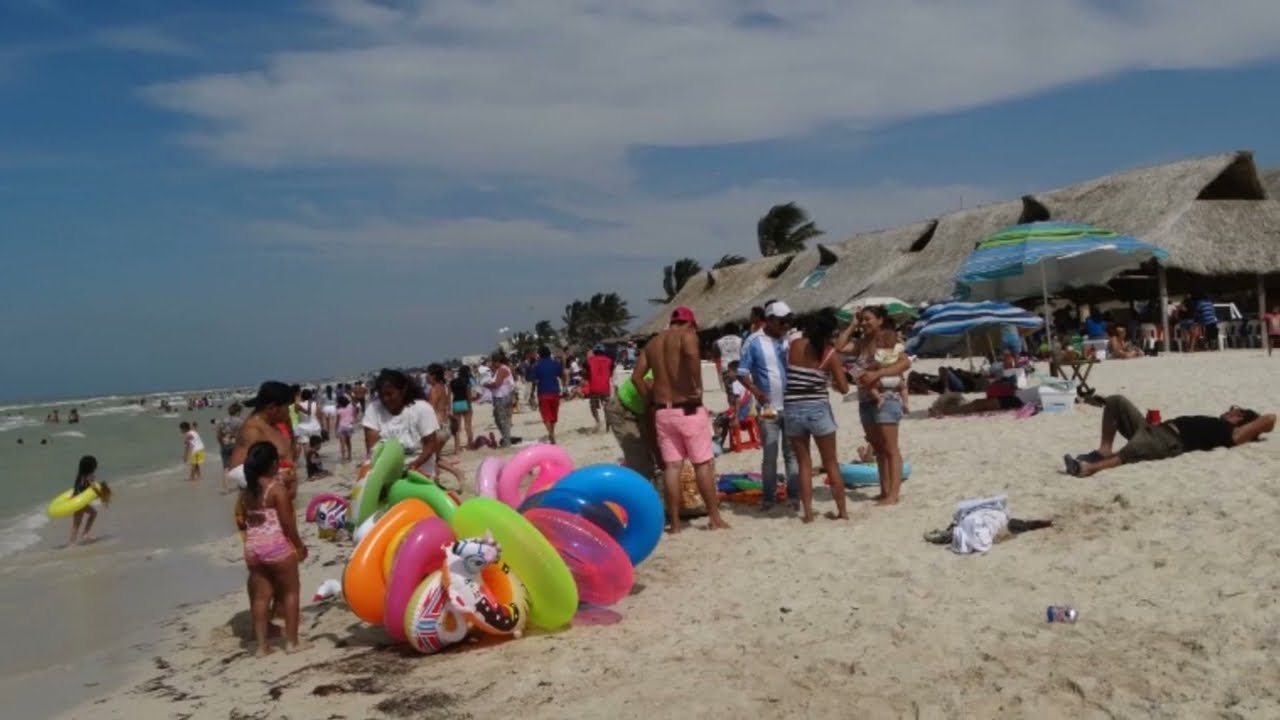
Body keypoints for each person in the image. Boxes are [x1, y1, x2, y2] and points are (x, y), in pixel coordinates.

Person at [633, 306, 728, 532]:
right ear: (690, 323)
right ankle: (714, 518)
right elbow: (692, 354)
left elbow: (637, 377)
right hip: (688, 409)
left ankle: (675, 523)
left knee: (672, 468)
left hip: (663, 412)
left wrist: (651, 400)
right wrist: (697, 385)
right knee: (702, 464)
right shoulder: (687, 335)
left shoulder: (653, 343)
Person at [1063, 396, 1274, 477]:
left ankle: (1087, 469)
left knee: (1137, 447)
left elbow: (1270, 419)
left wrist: (1250, 425)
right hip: (1155, 429)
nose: (1231, 410)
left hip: (1169, 441)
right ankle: (1104, 449)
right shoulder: (1217, 423)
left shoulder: (1230, 433)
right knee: (1115, 401)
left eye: (1237, 412)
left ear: (1242, 421)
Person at [784, 309, 855, 522]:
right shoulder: (829, 353)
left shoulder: (795, 345)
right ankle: (842, 511)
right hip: (817, 409)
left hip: (792, 409)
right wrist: (830, 381)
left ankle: (807, 513)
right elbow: (844, 388)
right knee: (831, 463)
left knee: (804, 463)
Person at [238, 441, 306, 656]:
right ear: (274, 463)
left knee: (260, 597)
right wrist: (299, 545)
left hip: (253, 548)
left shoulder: (246, 491)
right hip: (276, 546)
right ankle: (292, 643)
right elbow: (287, 524)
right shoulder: (276, 490)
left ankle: (261, 646)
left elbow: (243, 521)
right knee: (290, 592)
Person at [738, 301, 799, 513]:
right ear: (770, 320)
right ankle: (769, 498)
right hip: (768, 409)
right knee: (770, 455)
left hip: (790, 406)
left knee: (791, 454)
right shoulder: (754, 341)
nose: (786, 326)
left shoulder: (789, 339)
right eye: (783, 322)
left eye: (789, 321)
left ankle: (794, 496)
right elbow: (742, 371)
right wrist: (755, 391)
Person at [850, 306, 911, 505]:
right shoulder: (862, 343)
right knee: (878, 448)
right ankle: (885, 491)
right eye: (863, 319)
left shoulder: (887, 340)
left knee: (890, 448)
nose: (865, 323)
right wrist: (853, 324)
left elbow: (904, 363)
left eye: (868, 319)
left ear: (880, 320)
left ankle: (893, 494)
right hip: (866, 399)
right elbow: (839, 347)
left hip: (887, 396)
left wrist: (878, 374)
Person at [363, 368, 444, 476]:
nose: (385, 399)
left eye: (389, 394)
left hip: (420, 471)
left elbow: (430, 444)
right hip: (387, 473)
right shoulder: (374, 409)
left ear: (403, 390)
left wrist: (414, 465)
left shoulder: (421, 408)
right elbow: (373, 449)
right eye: (381, 395)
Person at [230, 382, 299, 498]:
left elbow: (288, 455)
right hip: (262, 508)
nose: (289, 411)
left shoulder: (272, 425)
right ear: (272, 408)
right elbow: (236, 472)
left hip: (281, 503)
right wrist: (277, 478)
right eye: (287, 406)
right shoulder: (252, 430)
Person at [68, 455, 109, 546]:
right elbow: (93, 487)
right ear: (92, 467)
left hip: (79, 501)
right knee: (77, 523)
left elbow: (77, 489)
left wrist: (72, 497)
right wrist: (101, 495)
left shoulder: (80, 476)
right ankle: (73, 542)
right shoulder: (89, 477)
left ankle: (82, 535)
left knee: (88, 516)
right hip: (79, 502)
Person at [530, 346, 566, 443]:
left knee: (546, 415)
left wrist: (531, 394)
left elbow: (535, 381)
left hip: (543, 393)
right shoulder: (555, 364)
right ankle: (552, 433)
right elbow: (562, 375)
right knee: (554, 415)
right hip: (555, 392)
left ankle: (550, 433)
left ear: (539, 355)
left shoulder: (536, 366)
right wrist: (565, 387)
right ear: (549, 354)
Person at [485, 353, 516, 447]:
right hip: (502, 397)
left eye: (493, 362)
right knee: (500, 418)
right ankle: (506, 438)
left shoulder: (502, 369)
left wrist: (486, 385)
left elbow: (497, 384)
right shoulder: (501, 369)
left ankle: (507, 441)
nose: (492, 364)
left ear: (497, 361)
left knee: (501, 419)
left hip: (502, 397)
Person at [586, 345, 614, 433]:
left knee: (593, 406)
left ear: (594, 352)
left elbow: (586, 372)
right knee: (607, 406)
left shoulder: (589, 361)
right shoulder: (609, 361)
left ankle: (598, 421)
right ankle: (608, 426)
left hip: (594, 387)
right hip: (605, 387)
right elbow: (611, 373)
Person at [217, 403, 245, 493]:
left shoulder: (223, 421)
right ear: (237, 412)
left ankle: (226, 489)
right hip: (236, 445)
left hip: (225, 445)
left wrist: (221, 443)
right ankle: (241, 485)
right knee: (240, 465)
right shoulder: (240, 421)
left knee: (226, 468)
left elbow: (218, 434)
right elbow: (244, 434)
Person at [449, 366, 476, 455]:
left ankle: (457, 447)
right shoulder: (467, 382)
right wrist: (469, 405)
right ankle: (470, 444)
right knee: (468, 425)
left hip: (456, 404)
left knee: (457, 427)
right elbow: (468, 395)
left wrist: (449, 407)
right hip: (465, 403)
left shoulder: (452, 382)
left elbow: (449, 396)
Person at [714, 326, 743, 392]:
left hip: (726, 369)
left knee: (730, 392)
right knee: (741, 392)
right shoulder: (741, 340)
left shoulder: (717, 342)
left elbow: (717, 360)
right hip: (738, 369)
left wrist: (719, 375)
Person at [333, 396, 356, 462]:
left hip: (341, 427)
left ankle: (343, 458)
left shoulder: (339, 410)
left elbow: (337, 421)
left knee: (342, 444)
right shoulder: (350, 407)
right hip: (349, 426)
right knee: (348, 442)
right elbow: (354, 413)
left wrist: (335, 430)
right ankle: (350, 456)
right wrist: (353, 419)